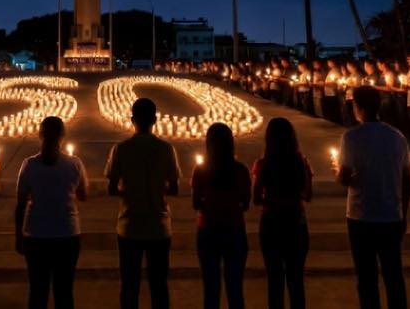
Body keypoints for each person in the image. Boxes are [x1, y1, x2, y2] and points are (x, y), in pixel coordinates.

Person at [335, 86, 410, 309]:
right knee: (393, 276)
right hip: (391, 215)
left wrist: (338, 173)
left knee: (366, 278)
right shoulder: (397, 137)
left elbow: (345, 179)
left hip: (361, 215)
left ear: (358, 107)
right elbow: (406, 180)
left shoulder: (352, 137)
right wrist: (403, 213)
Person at [105, 97, 182, 309]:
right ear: (155, 120)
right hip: (159, 227)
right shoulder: (166, 149)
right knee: (159, 286)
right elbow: (174, 188)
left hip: (129, 227)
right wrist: (156, 190)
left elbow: (111, 189)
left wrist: (130, 191)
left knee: (129, 287)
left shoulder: (121, 149)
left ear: (132, 120)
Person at [15, 116, 87, 309]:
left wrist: (18, 236)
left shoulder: (29, 165)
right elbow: (83, 195)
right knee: (64, 292)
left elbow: (20, 204)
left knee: (38, 292)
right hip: (67, 234)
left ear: (40, 134)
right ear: (63, 136)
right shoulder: (74, 164)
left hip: (36, 234)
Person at [252, 118, 313, 309]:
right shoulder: (301, 163)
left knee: (274, 280)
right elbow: (308, 195)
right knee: (296, 280)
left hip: (271, 224)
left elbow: (255, 198)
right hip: (296, 222)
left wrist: (272, 199)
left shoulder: (263, 164)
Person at [191, 123, 250, 309]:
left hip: (208, 230)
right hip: (234, 230)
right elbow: (246, 203)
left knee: (211, 290)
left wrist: (210, 204)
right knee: (235, 289)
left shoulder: (201, 170)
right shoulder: (240, 170)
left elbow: (195, 203)